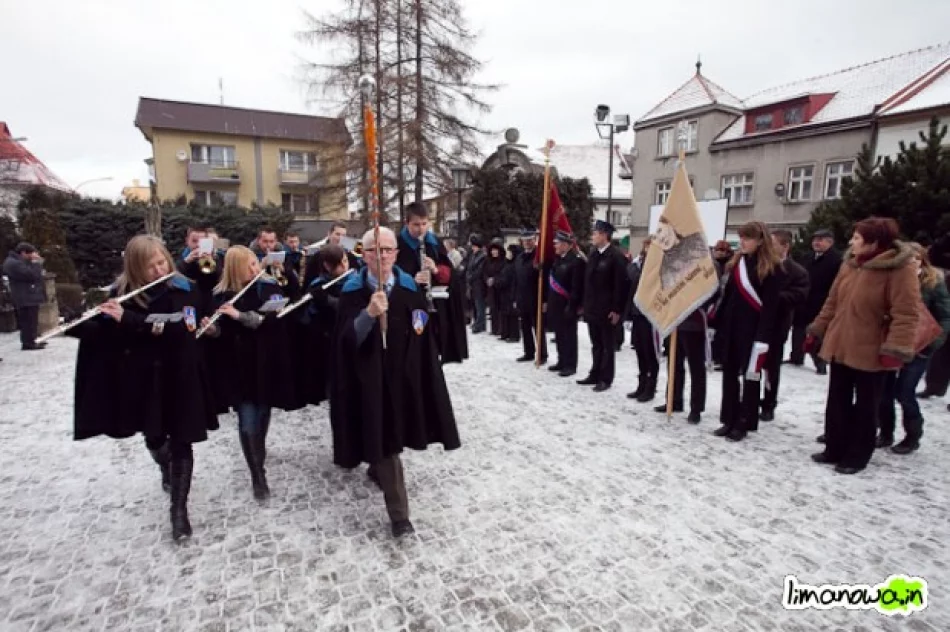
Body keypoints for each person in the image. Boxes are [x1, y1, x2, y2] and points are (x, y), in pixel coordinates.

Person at [67, 235, 218, 541]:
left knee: (182, 440)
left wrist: (132, 319)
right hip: (145, 379)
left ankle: (179, 512)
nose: (160, 271)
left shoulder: (184, 288)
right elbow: (105, 334)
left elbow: (182, 328)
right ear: (136, 269)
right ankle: (165, 466)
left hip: (181, 374)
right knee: (154, 439)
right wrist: (77, 325)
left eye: (162, 262)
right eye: (151, 267)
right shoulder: (123, 293)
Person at [330, 227, 461, 537]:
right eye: (375, 250)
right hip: (367, 380)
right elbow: (345, 341)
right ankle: (399, 516)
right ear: (363, 254)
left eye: (388, 249)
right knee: (387, 440)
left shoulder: (407, 288)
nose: (382, 255)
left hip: (402, 377)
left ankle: (376, 464)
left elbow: (422, 330)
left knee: (388, 434)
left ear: (396, 253)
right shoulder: (352, 291)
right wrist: (368, 314)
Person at [807, 218, 919, 474]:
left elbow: (906, 313)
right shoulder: (850, 264)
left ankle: (857, 455)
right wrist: (817, 329)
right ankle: (835, 447)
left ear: (874, 242)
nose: (851, 242)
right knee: (837, 399)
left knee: (867, 404)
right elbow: (832, 302)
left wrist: (895, 348)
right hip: (841, 343)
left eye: (857, 238)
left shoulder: (899, 269)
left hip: (872, 348)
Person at [202, 246, 300, 499]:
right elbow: (220, 333)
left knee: (263, 412)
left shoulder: (268, 287)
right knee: (247, 422)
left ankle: (260, 451)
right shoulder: (221, 296)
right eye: (251, 266)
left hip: (266, 363)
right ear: (236, 268)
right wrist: (212, 330)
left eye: (257, 264)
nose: (257, 270)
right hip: (238, 367)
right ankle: (257, 474)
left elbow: (275, 318)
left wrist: (242, 316)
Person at [711, 221, 784, 442]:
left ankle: (745, 421)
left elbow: (771, 308)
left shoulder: (773, 268)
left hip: (753, 331)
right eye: (741, 237)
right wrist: (715, 321)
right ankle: (729, 418)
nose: (742, 241)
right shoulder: (738, 263)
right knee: (730, 375)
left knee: (751, 377)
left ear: (761, 240)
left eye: (748, 238)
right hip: (731, 328)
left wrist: (763, 338)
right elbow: (728, 296)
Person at [876, 242, 950, 454]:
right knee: (884, 392)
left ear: (922, 259)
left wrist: (934, 342)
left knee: (904, 392)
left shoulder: (933, 282)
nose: (910, 262)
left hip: (920, 347)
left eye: (914, 258)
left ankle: (912, 435)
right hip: (892, 343)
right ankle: (885, 433)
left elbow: (945, 316)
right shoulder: (891, 279)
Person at [395, 202, 468, 364]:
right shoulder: (398, 244)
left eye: (424, 224)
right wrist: (410, 279)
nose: (420, 229)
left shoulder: (434, 242)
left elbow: (449, 273)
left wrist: (435, 270)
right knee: (416, 343)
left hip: (435, 303)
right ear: (407, 223)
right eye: (415, 225)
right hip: (410, 305)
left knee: (434, 344)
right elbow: (391, 273)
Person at [760, 230, 810, 421]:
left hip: (777, 326)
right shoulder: (762, 266)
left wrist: (774, 297)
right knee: (754, 365)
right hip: (756, 324)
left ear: (784, 246)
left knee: (771, 367)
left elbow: (799, 296)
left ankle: (769, 403)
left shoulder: (797, 271)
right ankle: (750, 398)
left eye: (772, 244)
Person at [296, 244, 350, 406]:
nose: (345, 266)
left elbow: (351, 307)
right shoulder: (319, 283)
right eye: (340, 263)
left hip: (346, 336)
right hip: (325, 339)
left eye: (346, 261)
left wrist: (329, 301)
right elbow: (309, 317)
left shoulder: (354, 281)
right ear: (327, 266)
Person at [578, 220, 627, 392]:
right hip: (593, 308)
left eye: (595, 233)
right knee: (596, 344)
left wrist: (617, 309)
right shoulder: (594, 254)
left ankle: (606, 378)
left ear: (605, 235)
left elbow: (620, 286)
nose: (593, 236)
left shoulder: (616, 256)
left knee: (607, 346)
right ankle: (595, 373)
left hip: (607, 310)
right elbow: (588, 283)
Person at [790, 229, 842, 374]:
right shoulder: (807, 257)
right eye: (814, 240)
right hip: (804, 300)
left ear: (830, 242)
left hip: (822, 301)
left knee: (818, 333)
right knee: (798, 328)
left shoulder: (837, 260)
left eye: (820, 240)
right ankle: (796, 356)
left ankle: (820, 362)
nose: (816, 243)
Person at [547, 231, 585, 377]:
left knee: (569, 335)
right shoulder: (558, 260)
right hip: (556, 304)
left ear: (565, 244)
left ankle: (570, 364)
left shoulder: (576, 261)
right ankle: (561, 360)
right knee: (559, 334)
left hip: (568, 304)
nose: (555, 245)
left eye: (557, 243)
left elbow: (577, 287)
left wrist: (572, 306)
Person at [627, 239, 659, 402]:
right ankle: (641, 384)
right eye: (646, 246)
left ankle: (650, 387)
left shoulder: (660, 265)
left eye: (650, 246)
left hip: (652, 315)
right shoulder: (639, 265)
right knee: (639, 350)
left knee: (650, 353)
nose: (647, 249)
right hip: (638, 313)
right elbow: (631, 286)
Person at [3, 242, 47, 351]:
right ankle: (28, 343)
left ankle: (32, 340)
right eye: (30, 254)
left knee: (31, 320)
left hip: (28, 295)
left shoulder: (19, 261)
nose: (32, 256)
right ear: (23, 253)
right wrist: (36, 263)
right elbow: (31, 275)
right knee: (28, 320)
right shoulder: (13, 263)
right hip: (24, 296)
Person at [513, 229, 547, 363]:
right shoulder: (520, 257)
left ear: (535, 240)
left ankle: (542, 354)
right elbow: (515, 279)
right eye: (525, 240)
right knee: (525, 327)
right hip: (522, 297)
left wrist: (545, 299)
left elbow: (545, 280)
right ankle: (529, 352)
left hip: (536, 297)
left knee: (538, 328)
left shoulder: (539, 257)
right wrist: (515, 297)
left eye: (530, 240)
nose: (527, 243)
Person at [253, 227, 301, 300]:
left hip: (282, 298)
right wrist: (261, 266)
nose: (268, 245)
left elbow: (293, 284)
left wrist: (283, 270)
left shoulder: (284, 256)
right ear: (258, 241)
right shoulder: (252, 257)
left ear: (276, 242)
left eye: (271, 241)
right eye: (265, 241)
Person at [496, 244, 521, 343]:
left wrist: (499, 282)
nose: (508, 254)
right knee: (505, 314)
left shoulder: (515, 265)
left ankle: (514, 335)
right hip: (504, 292)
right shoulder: (507, 263)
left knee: (512, 315)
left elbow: (509, 279)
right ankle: (505, 333)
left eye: (510, 252)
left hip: (511, 292)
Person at [482, 239, 506, 336]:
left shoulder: (504, 261)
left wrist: (495, 280)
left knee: (500, 308)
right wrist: (487, 279)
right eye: (492, 250)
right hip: (490, 288)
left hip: (500, 288)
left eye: (496, 250)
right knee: (493, 308)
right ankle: (494, 328)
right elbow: (484, 272)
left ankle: (501, 328)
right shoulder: (488, 261)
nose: (494, 252)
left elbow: (504, 273)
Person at [466, 234, 487, 333]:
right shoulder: (473, 255)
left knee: (480, 305)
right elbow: (469, 267)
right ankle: (477, 323)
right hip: (472, 284)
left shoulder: (482, 256)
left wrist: (470, 277)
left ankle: (480, 324)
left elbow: (480, 271)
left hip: (479, 283)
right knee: (475, 304)